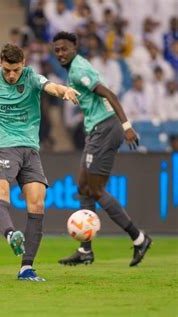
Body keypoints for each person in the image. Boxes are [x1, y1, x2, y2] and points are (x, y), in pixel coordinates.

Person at [0, 43, 80, 281]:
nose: (12, 75)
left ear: (23, 66)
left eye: (16, 70)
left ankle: (26, 268)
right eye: (8, 70)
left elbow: (50, 87)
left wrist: (65, 91)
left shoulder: (30, 77)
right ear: (1, 63)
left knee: (37, 205)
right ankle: (11, 234)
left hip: (29, 149)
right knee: (1, 193)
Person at [52, 31, 151, 267]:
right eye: (57, 50)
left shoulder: (79, 70)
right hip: (97, 129)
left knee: (95, 189)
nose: (60, 54)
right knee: (84, 187)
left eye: (64, 48)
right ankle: (85, 250)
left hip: (106, 128)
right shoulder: (75, 68)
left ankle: (139, 238)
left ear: (75, 47)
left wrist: (126, 126)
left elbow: (109, 93)